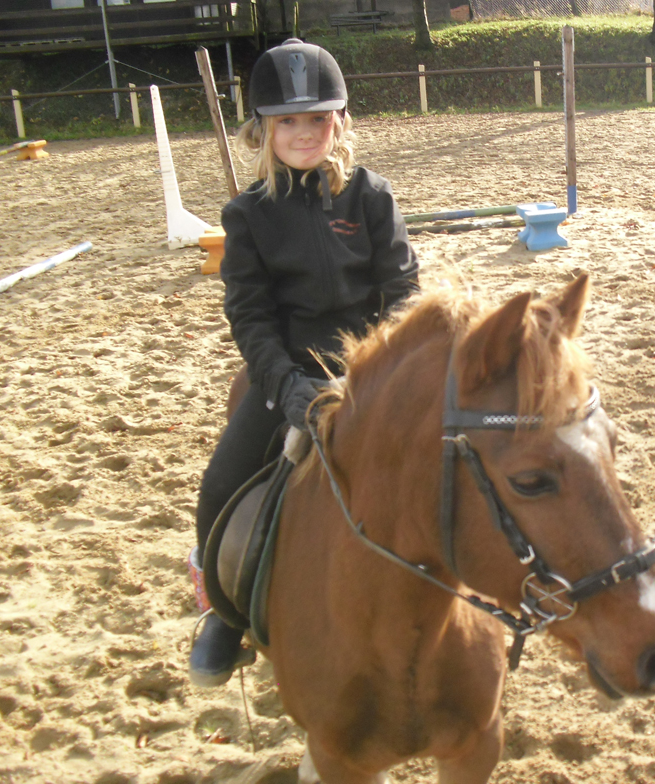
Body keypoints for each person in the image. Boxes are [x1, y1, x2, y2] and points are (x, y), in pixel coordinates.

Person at [187, 38, 420, 687]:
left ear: (338, 121)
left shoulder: (371, 196)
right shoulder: (247, 216)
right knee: (218, 486)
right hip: (287, 376)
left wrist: (377, 369)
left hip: (370, 374)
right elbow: (251, 316)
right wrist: (287, 386)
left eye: (317, 118)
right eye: (287, 120)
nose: (303, 132)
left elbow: (403, 291)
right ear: (264, 128)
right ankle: (223, 616)